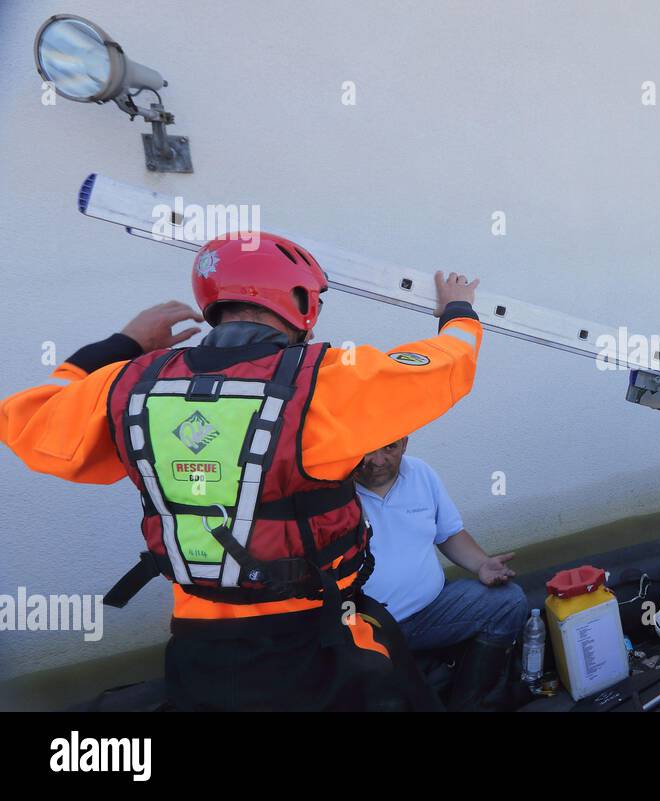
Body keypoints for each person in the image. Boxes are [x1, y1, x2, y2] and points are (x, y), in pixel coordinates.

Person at [0, 232, 483, 711]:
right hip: (317, 644)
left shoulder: (125, 387)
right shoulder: (325, 382)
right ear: (300, 301)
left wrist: (123, 343)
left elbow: (23, 417)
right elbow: (447, 364)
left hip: (200, 652)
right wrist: (457, 311)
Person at [354, 436, 527, 711]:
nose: (378, 461)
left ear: (405, 444)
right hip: (369, 628)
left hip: (432, 608)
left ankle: (469, 703)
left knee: (509, 601)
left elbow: (448, 533)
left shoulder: (421, 473)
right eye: (367, 449)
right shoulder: (332, 494)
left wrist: (481, 564)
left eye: (390, 447)